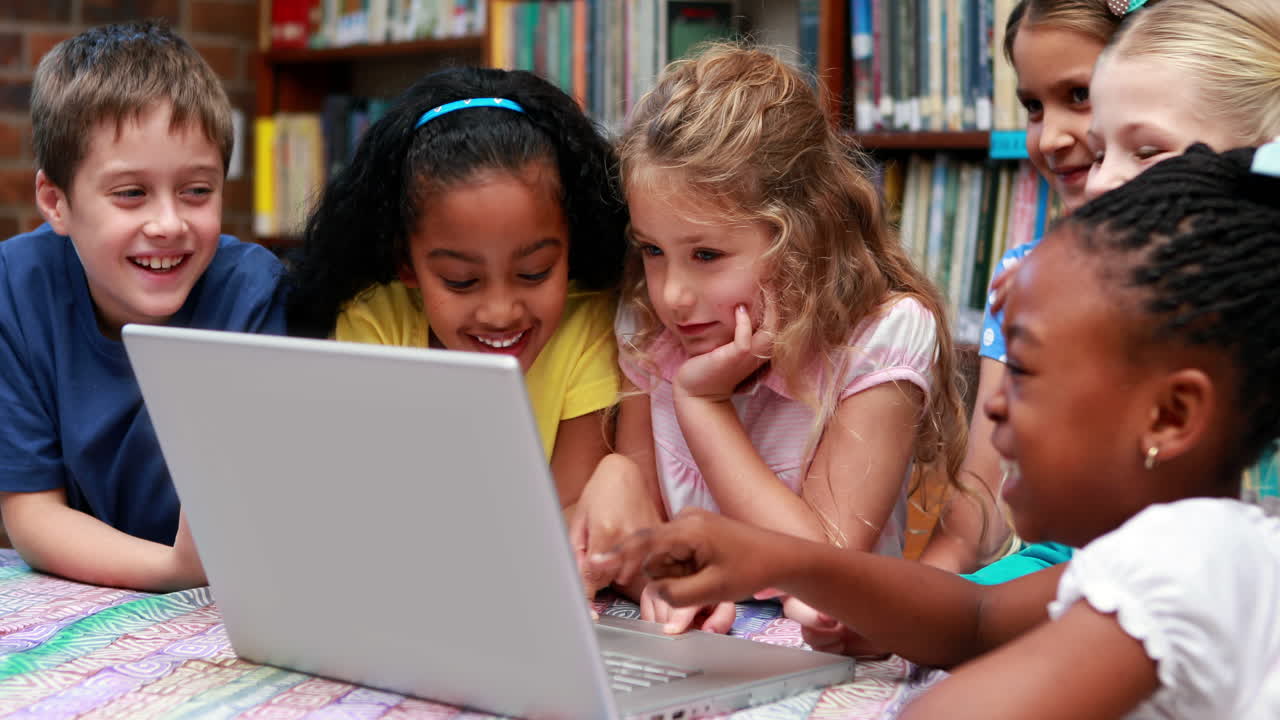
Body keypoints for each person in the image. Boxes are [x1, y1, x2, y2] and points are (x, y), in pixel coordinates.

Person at [595, 143, 1280, 719]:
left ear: (1171, 416)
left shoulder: (1188, 563)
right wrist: (787, 562)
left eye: (1030, 371)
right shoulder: (1178, 550)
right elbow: (970, 622)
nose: (996, 406)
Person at [575, 45, 968, 635]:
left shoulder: (880, 337)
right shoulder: (649, 329)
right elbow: (643, 535)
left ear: (802, 237)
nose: (674, 294)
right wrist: (662, 582)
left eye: (706, 255)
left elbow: (826, 575)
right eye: (653, 251)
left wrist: (704, 405)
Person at [0, 21, 287, 591]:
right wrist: (176, 570)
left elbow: (259, 514)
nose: (168, 224)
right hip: (108, 592)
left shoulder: (251, 290)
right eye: (131, 193)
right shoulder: (15, 286)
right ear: (55, 202)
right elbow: (31, 515)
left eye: (197, 191)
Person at [284, 68, 629, 514]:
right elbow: (365, 501)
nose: (501, 312)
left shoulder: (587, 326)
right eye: (461, 281)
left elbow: (569, 515)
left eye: (535, 271)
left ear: (571, 249)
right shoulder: (374, 321)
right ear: (406, 263)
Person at [920, 0, 1125, 577]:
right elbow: (980, 493)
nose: (1051, 138)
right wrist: (923, 589)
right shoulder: (1023, 276)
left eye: (1079, 96)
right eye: (1033, 107)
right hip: (1054, 569)